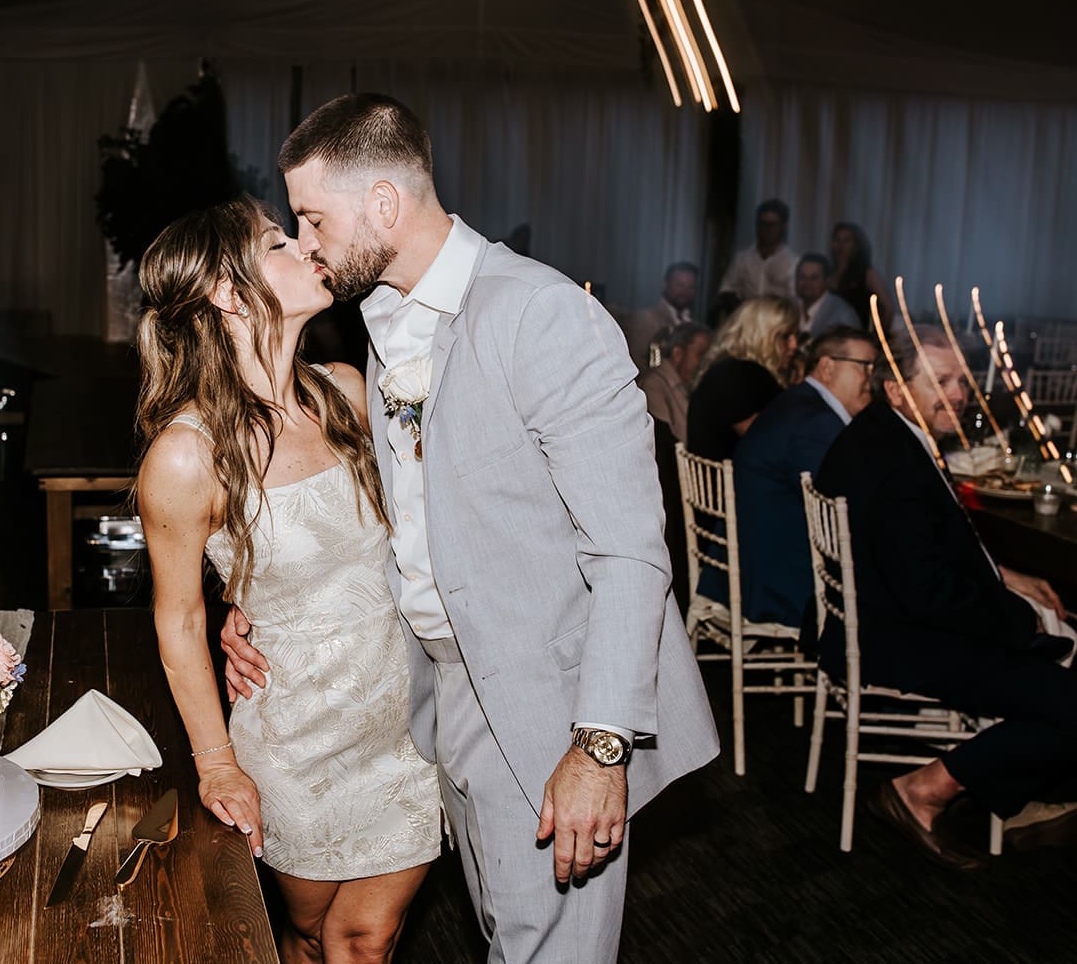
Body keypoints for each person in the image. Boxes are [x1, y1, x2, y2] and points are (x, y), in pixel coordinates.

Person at [221, 93, 717, 962]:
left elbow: (632, 552)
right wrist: (251, 603)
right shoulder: (382, 329)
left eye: (313, 218)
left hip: (552, 709)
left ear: (383, 205)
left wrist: (600, 746)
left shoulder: (540, 314)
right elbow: (414, 526)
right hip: (449, 699)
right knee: (503, 933)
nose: (305, 244)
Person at [134, 197, 441, 963]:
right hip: (295, 742)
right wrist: (216, 763)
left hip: (409, 727)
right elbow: (176, 621)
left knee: (364, 938)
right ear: (229, 294)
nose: (306, 244)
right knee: (306, 936)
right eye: (276, 241)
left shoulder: (349, 392)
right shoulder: (185, 456)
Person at [814, 327, 1076, 869]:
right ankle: (924, 789)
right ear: (895, 388)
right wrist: (1023, 621)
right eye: (941, 380)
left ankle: (1036, 788)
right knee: (1068, 694)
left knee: (1060, 665)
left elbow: (928, 556)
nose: (958, 393)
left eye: (961, 380)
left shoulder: (884, 435)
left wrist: (1004, 577)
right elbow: (930, 593)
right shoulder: (894, 460)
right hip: (900, 638)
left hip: (879, 619)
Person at [733, 327, 877, 627]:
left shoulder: (797, 401)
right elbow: (845, 512)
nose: (872, 379)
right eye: (865, 366)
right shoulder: (817, 423)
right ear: (827, 367)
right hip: (784, 583)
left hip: (758, 562)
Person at [686, 296, 800, 461]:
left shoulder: (731, 369)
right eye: (785, 336)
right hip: (728, 482)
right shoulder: (741, 375)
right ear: (760, 335)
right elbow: (769, 445)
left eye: (796, 336)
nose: (794, 345)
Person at [636, 322, 711, 446]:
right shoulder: (653, 385)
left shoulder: (688, 385)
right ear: (677, 354)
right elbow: (666, 442)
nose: (705, 363)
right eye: (701, 354)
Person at [717, 199, 796, 306]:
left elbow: (794, 299)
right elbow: (726, 289)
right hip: (745, 315)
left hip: (777, 318)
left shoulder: (793, 262)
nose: (767, 229)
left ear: (783, 227)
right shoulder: (742, 258)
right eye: (763, 224)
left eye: (772, 224)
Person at [625, 262, 699, 372]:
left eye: (691, 287)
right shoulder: (645, 319)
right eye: (680, 285)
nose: (685, 291)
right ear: (665, 285)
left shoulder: (694, 324)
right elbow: (636, 363)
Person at [828, 221, 893, 330]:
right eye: (837, 240)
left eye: (846, 241)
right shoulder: (828, 272)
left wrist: (879, 336)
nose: (840, 245)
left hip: (855, 335)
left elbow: (888, 308)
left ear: (856, 245)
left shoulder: (866, 273)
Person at [794, 253, 860, 337]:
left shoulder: (843, 314)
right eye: (802, 277)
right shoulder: (790, 307)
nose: (807, 283)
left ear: (827, 281)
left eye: (814, 278)